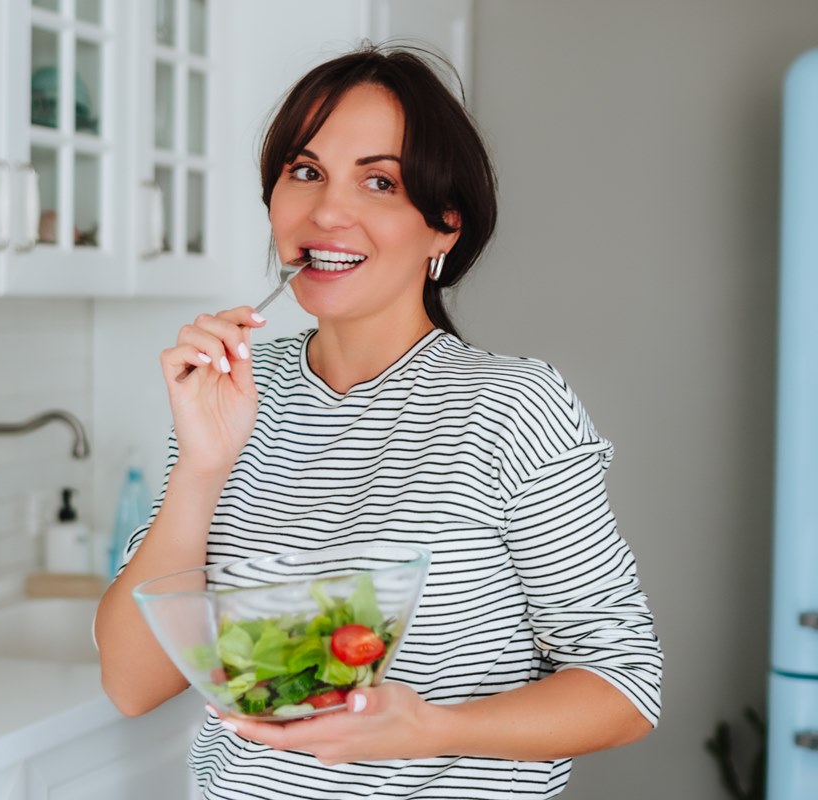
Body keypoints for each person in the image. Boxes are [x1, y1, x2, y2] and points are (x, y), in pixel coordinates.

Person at [95, 44, 662, 800]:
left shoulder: (510, 406)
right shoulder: (232, 393)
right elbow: (134, 685)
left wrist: (433, 729)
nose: (327, 211)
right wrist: (203, 464)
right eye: (305, 172)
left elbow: (624, 684)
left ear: (444, 225)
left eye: (380, 181)